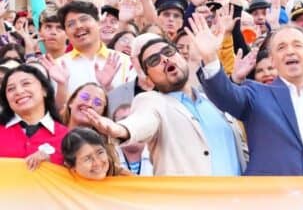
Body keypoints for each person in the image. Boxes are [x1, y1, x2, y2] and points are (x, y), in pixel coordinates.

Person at [191, 10, 303, 176]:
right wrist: (210, 57)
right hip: (267, 198)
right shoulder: (255, 94)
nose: (290, 51)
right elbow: (224, 95)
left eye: (297, 45)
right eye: (281, 47)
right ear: (273, 60)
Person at [80, 34, 248, 176]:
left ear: (182, 57)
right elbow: (141, 121)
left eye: (168, 52)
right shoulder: (153, 102)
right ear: (148, 79)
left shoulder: (215, 101)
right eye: (154, 60)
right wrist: (120, 130)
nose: (164, 59)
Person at [0, 65, 69, 168]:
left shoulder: (67, 136)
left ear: (44, 90)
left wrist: (52, 161)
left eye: (26, 83)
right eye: (10, 89)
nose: (19, 91)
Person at [56, 1, 133, 94]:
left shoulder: (125, 62)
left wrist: (108, 87)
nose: (78, 26)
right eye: (71, 24)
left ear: (98, 23)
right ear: (66, 33)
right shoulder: (58, 67)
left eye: (84, 19)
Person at [61, 128, 130, 179]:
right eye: (87, 159)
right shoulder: (65, 190)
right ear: (71, 166)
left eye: (100, 152)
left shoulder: (125, 178)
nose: (97, 162)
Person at [112, 105, 153, 175]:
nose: (129, 126)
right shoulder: (109, 157)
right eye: (123, 122)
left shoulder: (158, 154)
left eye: (133, 120)